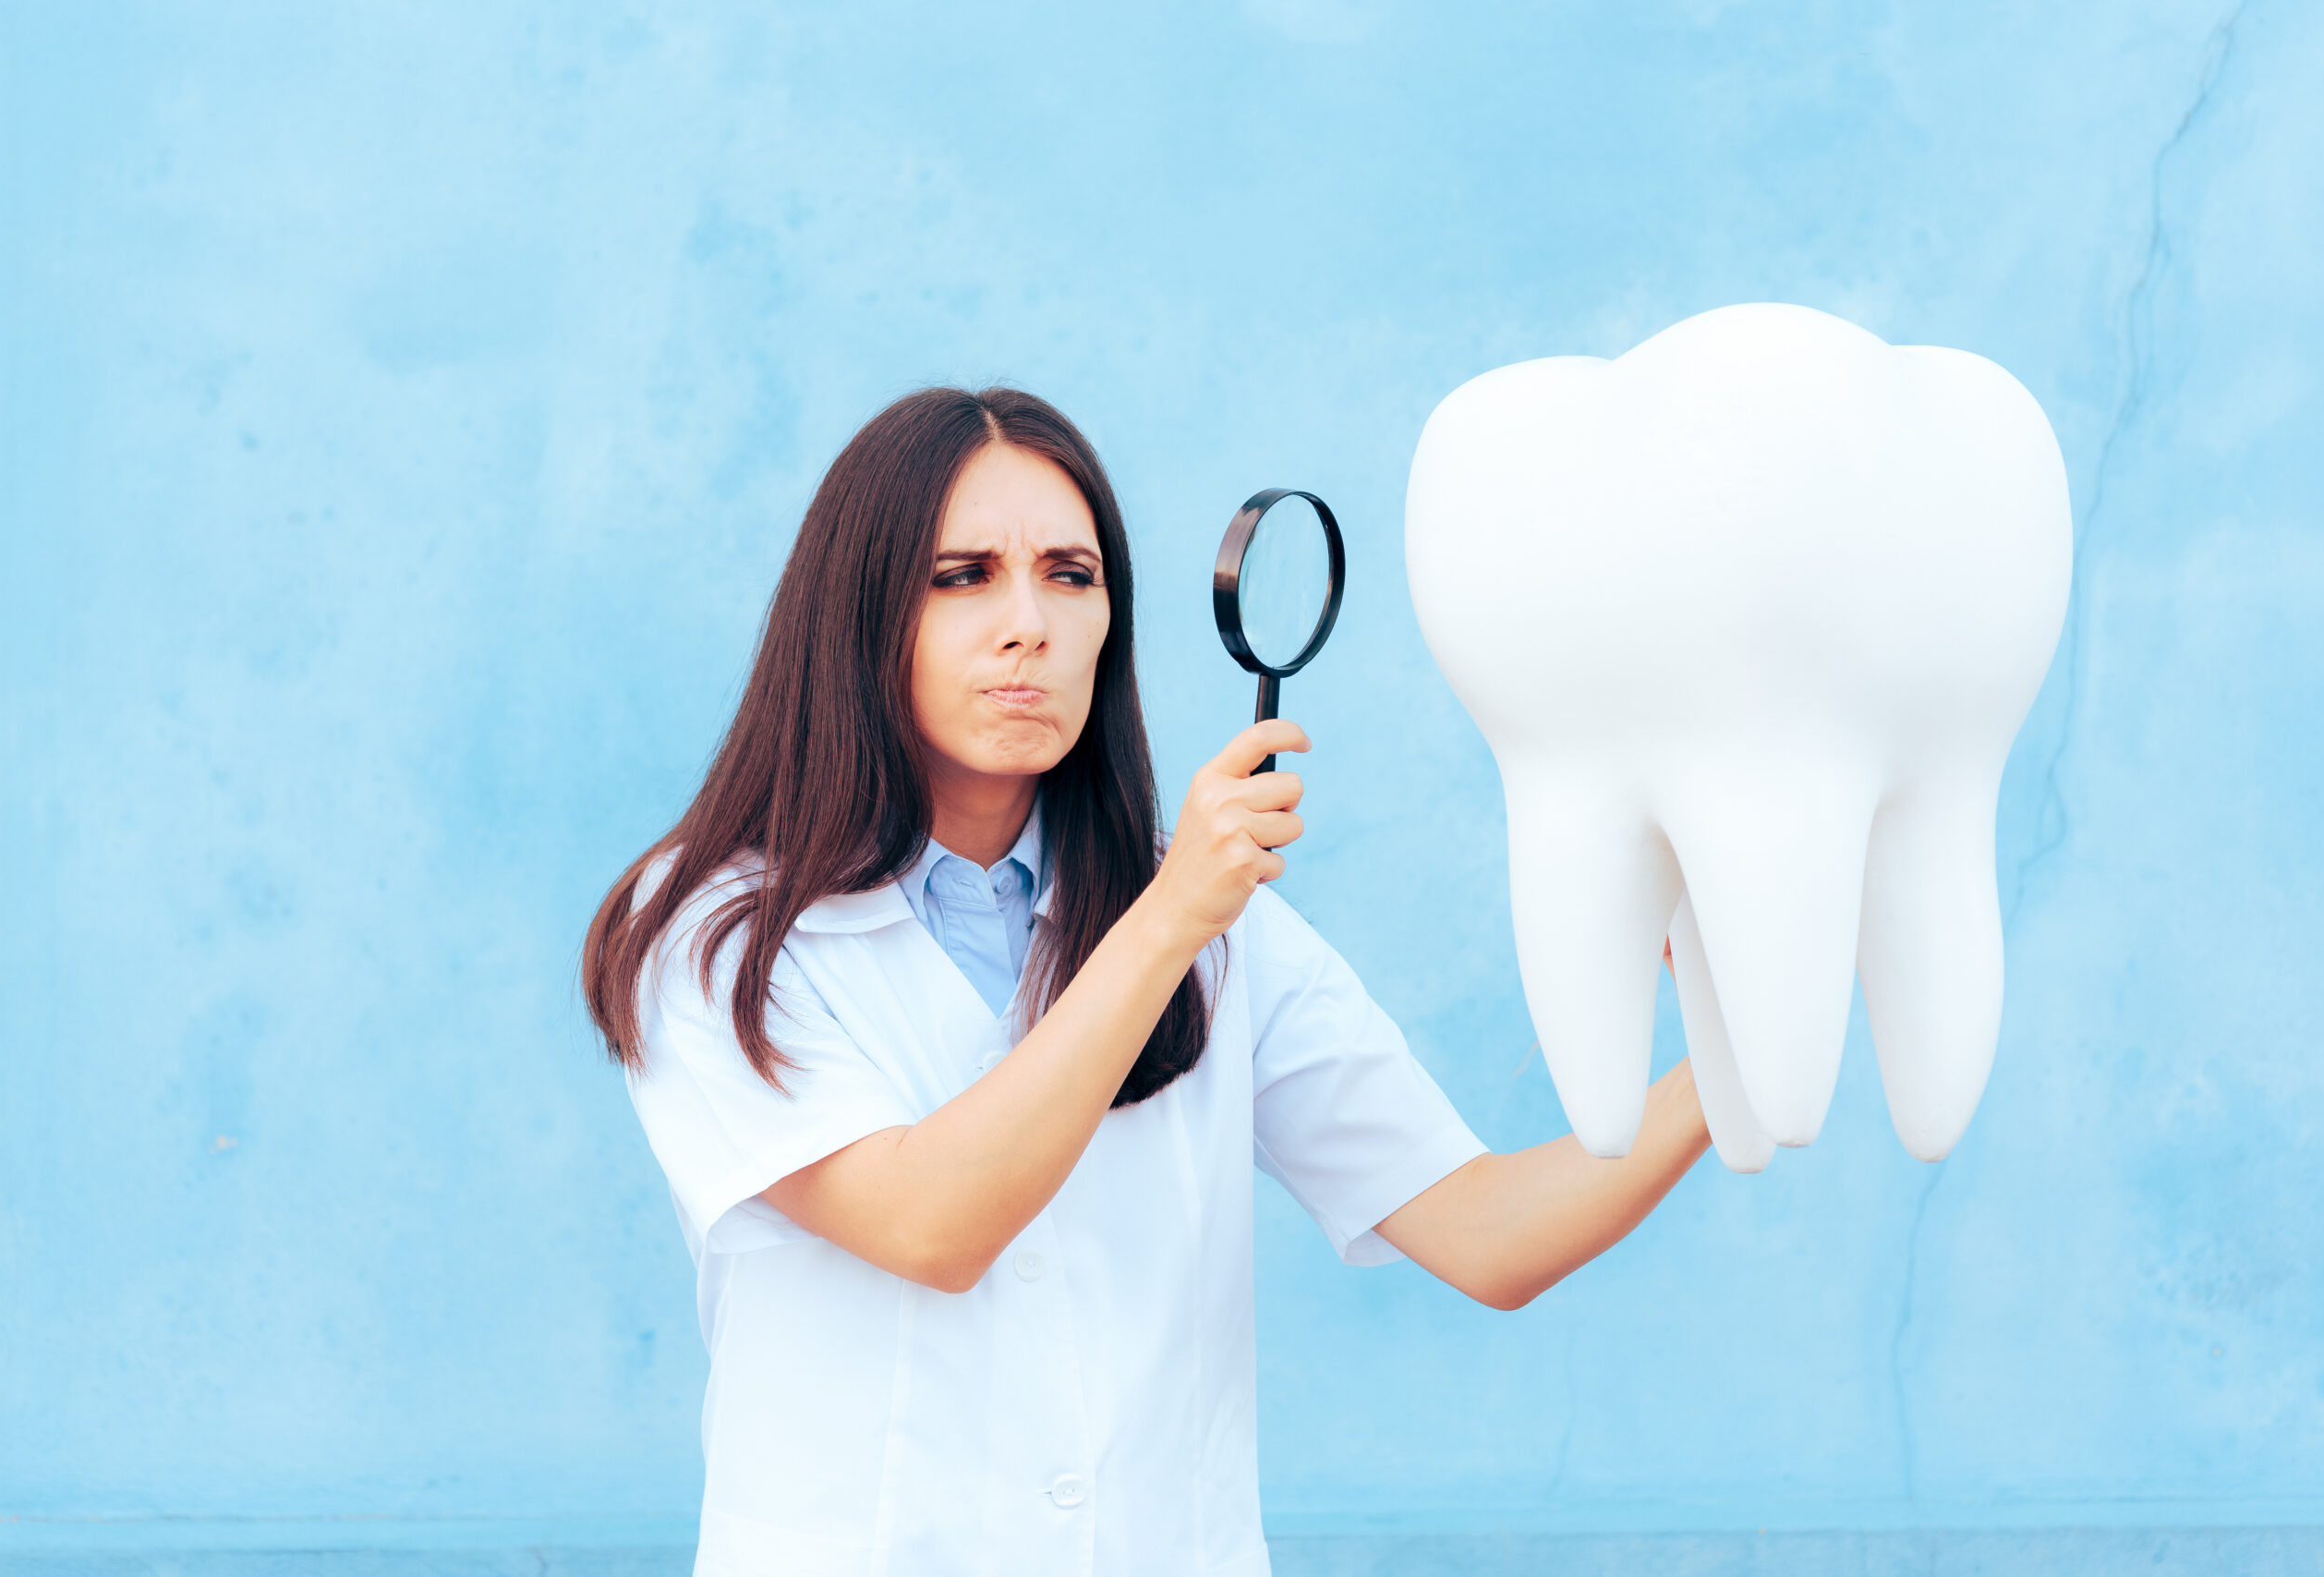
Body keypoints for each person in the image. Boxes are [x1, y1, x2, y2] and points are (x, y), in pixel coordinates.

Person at [582, 386, 1710, 1577]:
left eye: (1071, 575)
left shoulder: (1219, 931)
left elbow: (1488, 1234)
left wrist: (1734, 1061)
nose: (1030, 625)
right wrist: (1171, 917)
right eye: (961, 576)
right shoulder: (715, 934)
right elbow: (931, 1223)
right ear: (857, 615)